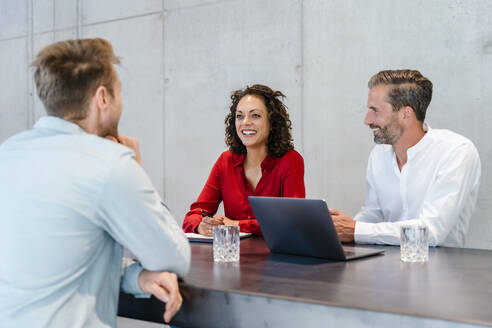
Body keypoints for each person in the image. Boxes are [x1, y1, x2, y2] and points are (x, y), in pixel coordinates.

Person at [0, 38, 190, 327]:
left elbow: (55, 263)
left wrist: (132, 277)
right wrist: (138, 170)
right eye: (120, 92)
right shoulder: (110, 164)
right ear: (103, 97)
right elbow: (174, 258)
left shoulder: (8, 153)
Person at [330, 69, 481, 247]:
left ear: (405, 113)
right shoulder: (379, 155)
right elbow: (373, 214)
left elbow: (430, 232)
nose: (367, 120)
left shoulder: (456, 151)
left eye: (375, 111)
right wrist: (336, 230)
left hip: (441, 268)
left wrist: (355, 230)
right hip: (385, 267)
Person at [182, 84, 305, 236]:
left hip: (277, 256)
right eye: (239, 116)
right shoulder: (225, 161)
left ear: (272, 122)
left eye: (255, 115)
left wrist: (237, 224)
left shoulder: (291, 161)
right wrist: (201, 225)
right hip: (233, 256)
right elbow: (195, 213)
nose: (245, 122)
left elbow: (292, 221)